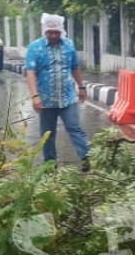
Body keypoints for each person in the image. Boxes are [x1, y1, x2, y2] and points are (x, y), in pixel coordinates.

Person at [25, 13, 90, 171]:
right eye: (50, 32)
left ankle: (87, 159)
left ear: (61, 31)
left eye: (56, 32)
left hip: (68, 97)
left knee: (74, 127)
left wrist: (81, 87)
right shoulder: (35, 47)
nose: (53, 36)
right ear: (45, 31)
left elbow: (75, 67)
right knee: (47, 134)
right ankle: (50, 166)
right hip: (46, 100)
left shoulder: (69, 45)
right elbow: (31, 72)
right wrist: (35, 96)